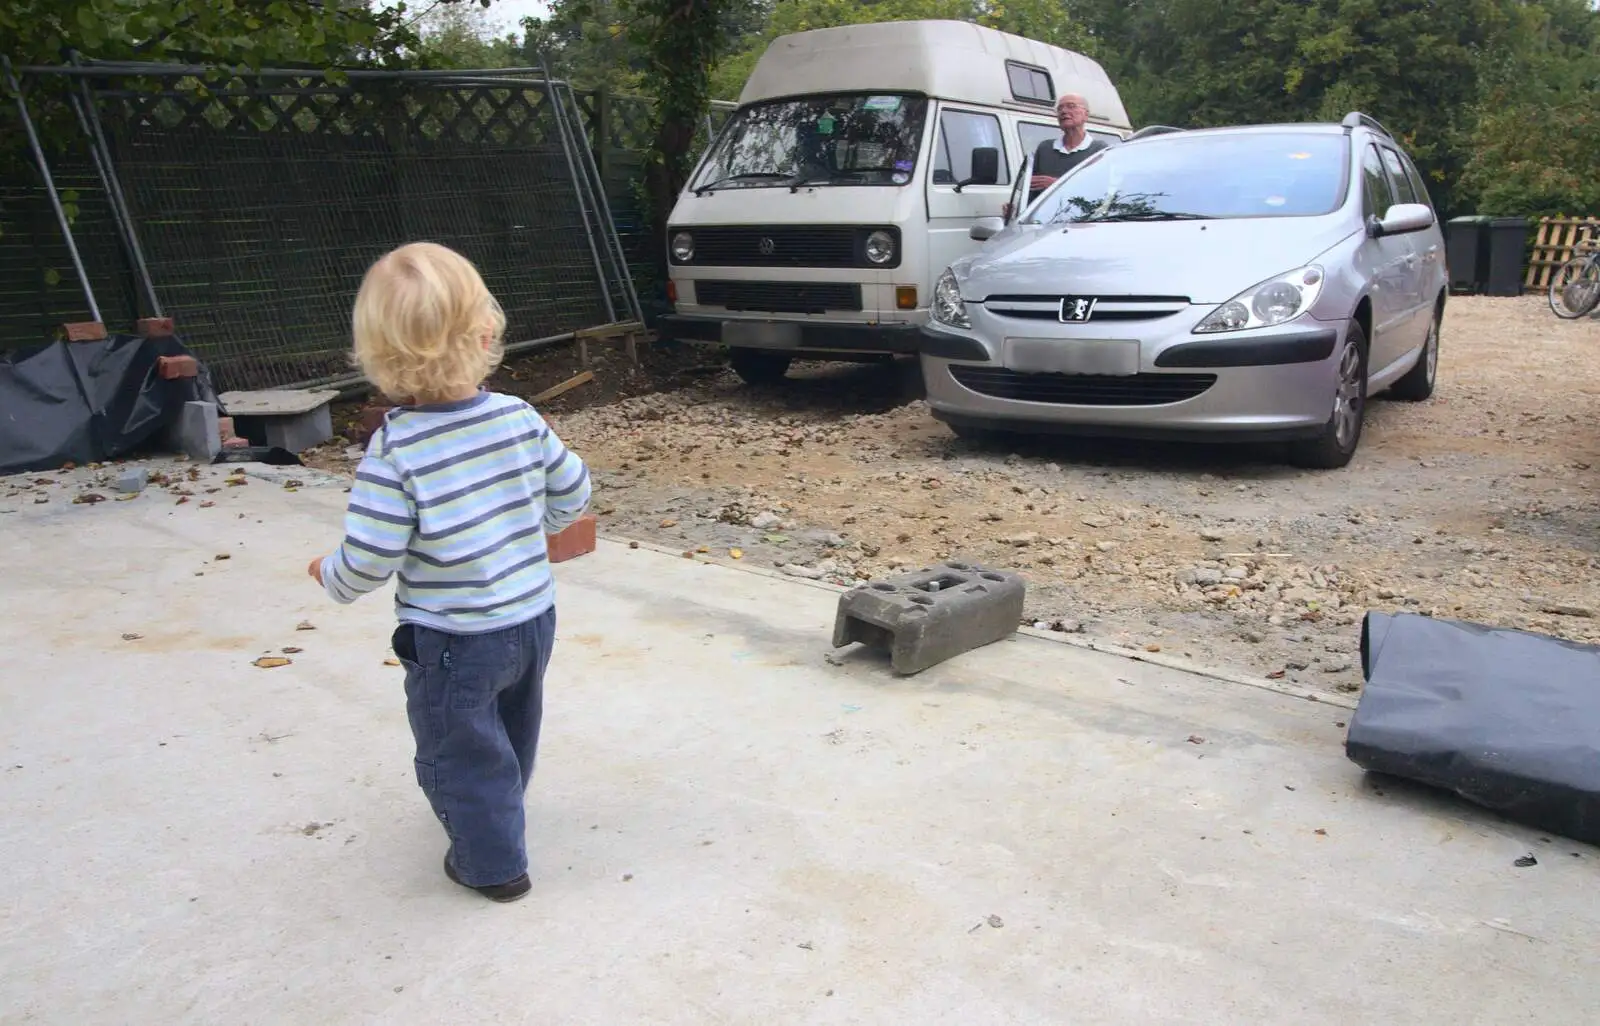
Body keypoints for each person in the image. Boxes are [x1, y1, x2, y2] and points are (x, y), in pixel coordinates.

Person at [307, 241, 591, 903]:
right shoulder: (519, 418)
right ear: (486, 333)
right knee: (512, 724)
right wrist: (538, 527)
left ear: (378, 357)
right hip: (531, 618)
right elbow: (574, 490)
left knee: (458, 748)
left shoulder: (397, 448)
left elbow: (371, 556)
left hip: (454, 639)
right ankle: (500, 805)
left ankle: (492, 864)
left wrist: (331, 575)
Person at [1004, 93, 1111, 219]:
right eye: (1060, 109)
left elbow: (1099, 193)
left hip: (1082, 223)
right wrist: (1017, 210)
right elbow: (1032, 192)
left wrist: (1056, 185)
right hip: (1044, 223)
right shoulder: (1045, 148)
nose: (1064, 111)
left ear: (1085, 115)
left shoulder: (1098, 149)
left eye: (1071, 106)